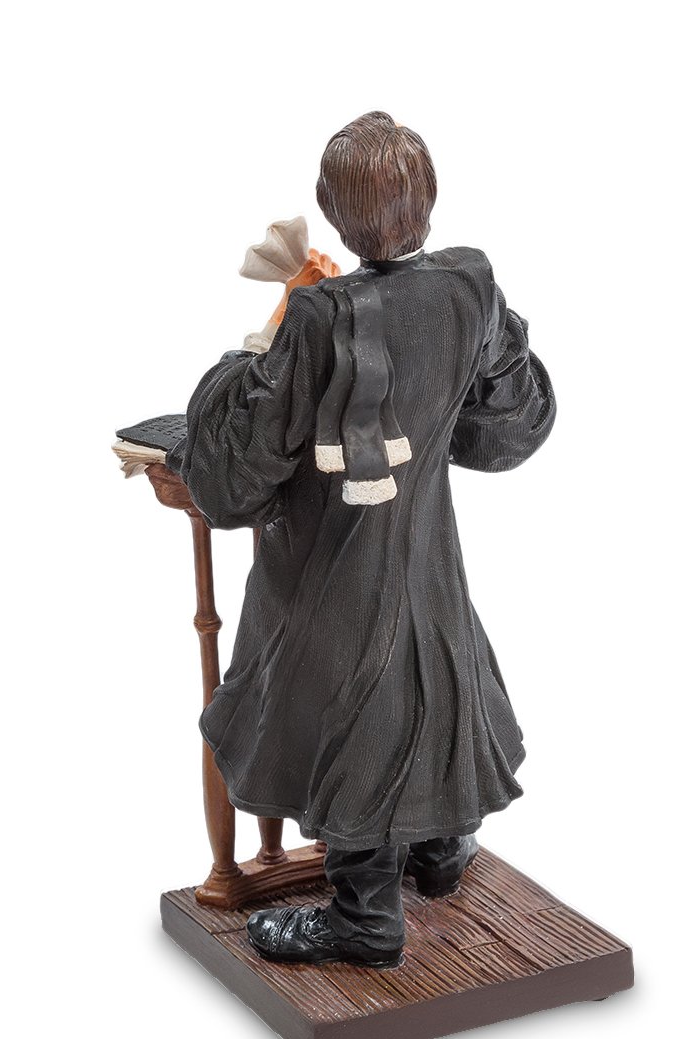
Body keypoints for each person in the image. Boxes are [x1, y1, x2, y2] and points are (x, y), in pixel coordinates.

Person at [166, 111, 556, 969]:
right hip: (425, 552)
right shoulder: (469, 286)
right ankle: (441, 849)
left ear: (334, 211)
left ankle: (364, 918)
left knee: (346, 709)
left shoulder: (320, 317)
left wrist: (242, 362)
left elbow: (242, 465)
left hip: (333, 563)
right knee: (436, 679)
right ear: (429, 198)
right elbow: (509, 417)